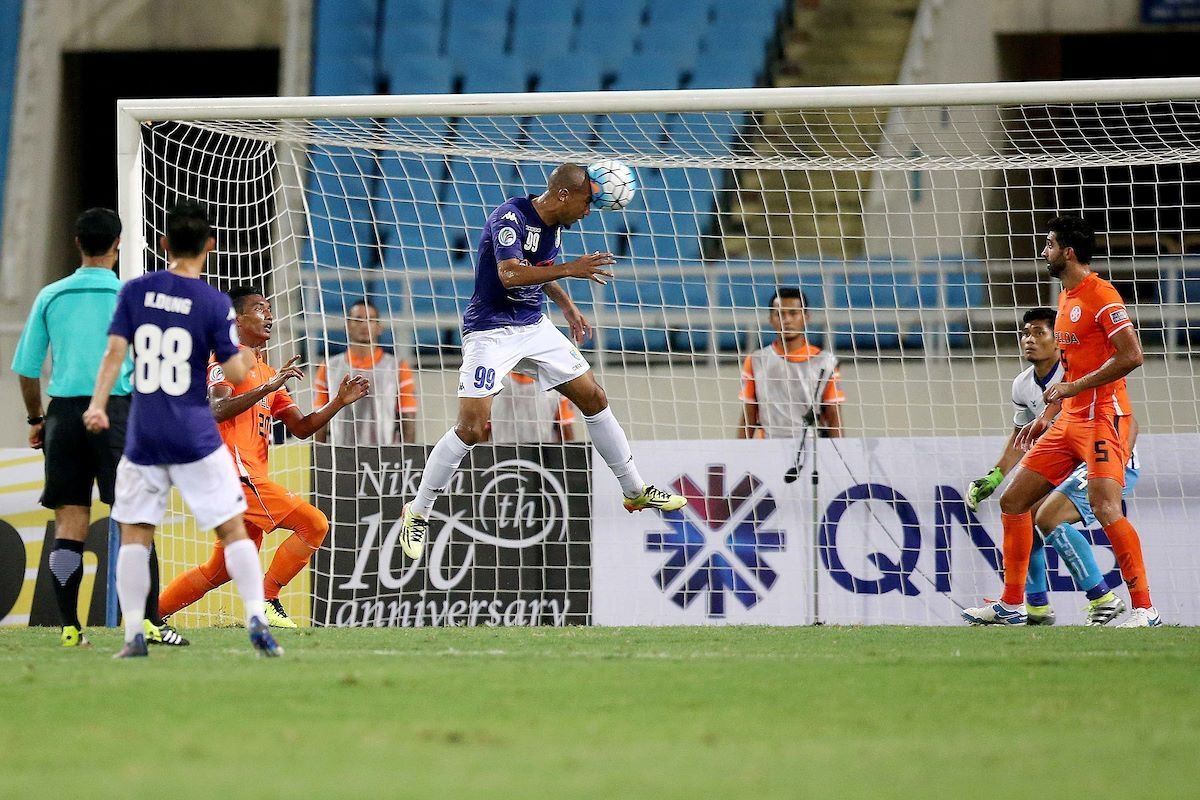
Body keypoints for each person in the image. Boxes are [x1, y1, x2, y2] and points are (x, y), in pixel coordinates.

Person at [397, 163, 685, 558]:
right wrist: (573, 270)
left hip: (534, 326)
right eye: (588, 203)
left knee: (594, 398)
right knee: (471, 428)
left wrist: (566, 306)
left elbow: (542, 271)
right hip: (490, 332)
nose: (589, 212)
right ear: (564, 195)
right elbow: (511, 275)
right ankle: (417, 511)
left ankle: (634, 491)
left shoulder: (554, 227)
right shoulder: (510, 217)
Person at [83, 201, 283, 657]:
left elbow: (114, 354)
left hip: (145, 432)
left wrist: (97, 406)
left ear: (164, 244)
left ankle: (135, 633)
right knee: (233, 530)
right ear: (209, 246)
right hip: (195, 434)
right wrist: (242, 357)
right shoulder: (213, 302)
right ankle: (257, 619)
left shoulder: (134, 291)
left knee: (135, 534)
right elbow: (234, 374)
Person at [962, 215, 1159, 627]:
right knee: (1015, 502)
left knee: (1106, 507)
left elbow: (1132, 356)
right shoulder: (1065, 298)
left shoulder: (1102, 295)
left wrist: (1073, 390)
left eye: (1050, 244)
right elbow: (1071, 369)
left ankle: (1144, 609)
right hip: (1068, 422)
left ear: (1068, 251)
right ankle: (1011, 605)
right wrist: (1049, 414)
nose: (1044, 250)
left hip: (1102, 419)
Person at [10, 208, 186, 648]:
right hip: (118, 412)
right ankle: (148, 622)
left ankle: (71, 628)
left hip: (65, 416)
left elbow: (27, 369)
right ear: (118, 244)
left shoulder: (51, 295)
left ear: (76, 243)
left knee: (70, 523)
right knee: (135, 521)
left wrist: (37, 418)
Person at [157, 286, 369, 628]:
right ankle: (268, 599)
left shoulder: (268, 372)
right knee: (313, 524)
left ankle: (151, 615)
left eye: (269, 309)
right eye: (259, 308)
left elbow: (301, 427)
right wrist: (267, 389)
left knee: (223, 568)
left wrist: (338, 403)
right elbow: (216, 408)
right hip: (235, 473)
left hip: (250, 474)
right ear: (237, 319)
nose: (268, 315)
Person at [964, 307, 1135, 626]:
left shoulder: (1080, 373)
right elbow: (1021, 435)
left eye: (1038, 333)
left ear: (1059, 341)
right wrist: (995, 475)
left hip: (1105, 458)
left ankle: (1103, 598)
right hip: (1067, 461)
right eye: (1025, 333)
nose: (1029, 340)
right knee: (1020, 509)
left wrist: (1118, 458)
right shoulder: (1022, 385)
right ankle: (1036, 607)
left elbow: (1128, 419)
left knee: (1049, 516)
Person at [737, 287, 845, 439]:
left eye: (793, 313)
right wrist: (738, 455)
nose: (786, 320)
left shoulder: (826, 363)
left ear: (806, 317)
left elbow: (834, 418)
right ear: (770, 319)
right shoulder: (756, 361)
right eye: (780, 314)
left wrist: (839, 458)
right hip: (769, 449)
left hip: (812, 450)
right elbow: (748, 417)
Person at [315, 298, 416, 445]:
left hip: (384, 459)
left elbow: (408, 418)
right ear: (347, 326)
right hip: (340, 457)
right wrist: (319, 458)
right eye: (358, 319)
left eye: (370, 319)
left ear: (379, 327)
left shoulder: (398, 367)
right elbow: (319, 419)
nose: (364, 324)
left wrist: (408, 460)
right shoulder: (329, 367)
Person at [488, 367, 576, 443]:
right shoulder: (493, 384)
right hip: (501, 455)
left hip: (543, 455)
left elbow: (565, 428)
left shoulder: (556, 386)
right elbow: (484, 427)